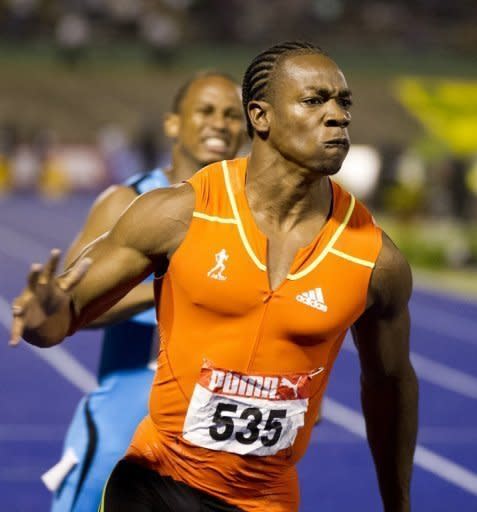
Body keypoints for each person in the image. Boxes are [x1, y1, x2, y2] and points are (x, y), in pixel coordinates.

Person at [11, 41, 418, 512]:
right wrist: (44, 315)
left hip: (267, 500)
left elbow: (390, 385)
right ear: (261, 116)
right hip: (157, 484)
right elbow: (61, 322)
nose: (338, 116)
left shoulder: (374, 259)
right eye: (314, 100)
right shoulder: (178, 214)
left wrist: (398, 505)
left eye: (343, 102)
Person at [46, 71, 246, 512]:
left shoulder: (253, 219)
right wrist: (173, 285)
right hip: (121, 435)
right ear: (173, 123)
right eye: (206, 111)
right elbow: (71, 310)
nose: (220, 123)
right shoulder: (127, 201)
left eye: (233, 115)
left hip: (209, 449)